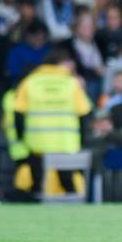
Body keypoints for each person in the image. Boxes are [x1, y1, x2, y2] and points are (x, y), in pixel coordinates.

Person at [13, 48, 92, 198]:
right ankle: (75, 210)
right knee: (68, 183)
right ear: (61, 63)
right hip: (65, 143)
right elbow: (84, 114)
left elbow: (18, 113)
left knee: (37, 185)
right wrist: (82, 140)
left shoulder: (30, 82)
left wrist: (22, 137)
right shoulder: (72, 84)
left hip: (37, 143)